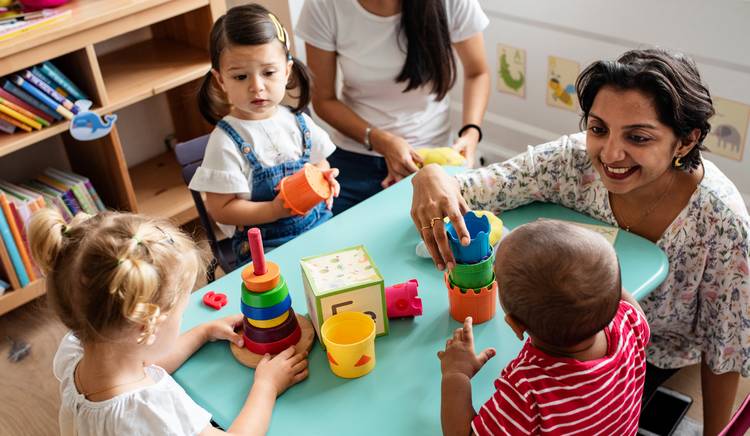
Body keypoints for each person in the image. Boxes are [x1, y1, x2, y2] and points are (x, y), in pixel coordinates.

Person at [412, 48, 750, 435]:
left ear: (686, 142)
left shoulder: (722, 219)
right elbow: (481, 187)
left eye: (638, 137)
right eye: (598, 128)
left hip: (652, 354)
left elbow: (726, 346)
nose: (610, 154)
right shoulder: (571, 161)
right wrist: (432, 175)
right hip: (569, 333)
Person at [28, 209, 309, 435]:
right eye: (181, 311)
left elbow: (143, 364)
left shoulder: (77, 350)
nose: (184, 318)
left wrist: (203, 332)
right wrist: (266, 387)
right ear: (146, 326)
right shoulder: (152, 413)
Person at [439, 220, 650, 435]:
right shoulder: (630, 322)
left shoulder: (528, 390)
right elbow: (620, 298)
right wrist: (595, 277)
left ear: (516, 325)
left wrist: (456, 374)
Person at [296, 0, 490, 214]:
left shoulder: (451, 4)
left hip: (432, 157)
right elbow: (323, 99)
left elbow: (477, 73)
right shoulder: (324, 5)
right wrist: (381, 141)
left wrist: (471, 132)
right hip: (356, 156)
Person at [191, 4, 340, 263]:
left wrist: (323, 178)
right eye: (240, 77)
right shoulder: (225, 141)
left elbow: (319, 162)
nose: (256, 87)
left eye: (268, 73)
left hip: (318, 225)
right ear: (220, 80)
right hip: (266, 247)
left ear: (286, 71)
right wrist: (273, 210)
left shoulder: (298, 122)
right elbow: (221, 210)